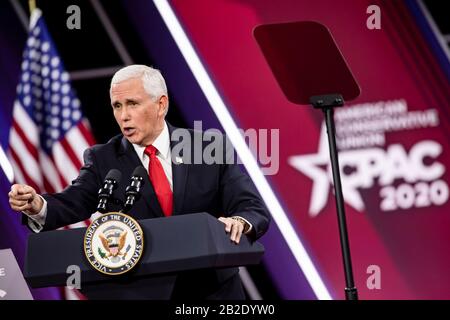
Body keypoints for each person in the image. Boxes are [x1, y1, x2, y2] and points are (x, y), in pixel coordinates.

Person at [8, 64, 270, 299]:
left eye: (132, 103)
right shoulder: (104, 159)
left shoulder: (206, 147)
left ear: (161, 105)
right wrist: (36, 205)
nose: (123, 116)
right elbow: (73, 201)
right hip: (144, 291)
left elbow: (252, 208)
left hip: (213, 292)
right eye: (117, 106)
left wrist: (240, 222)